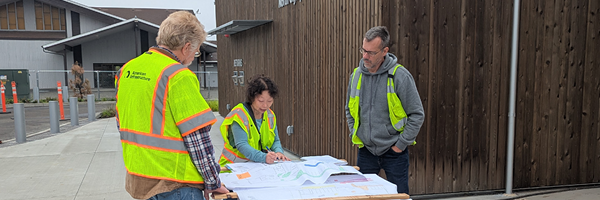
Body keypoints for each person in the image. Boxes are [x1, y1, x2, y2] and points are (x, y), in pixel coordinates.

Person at [115, 11, 228, 200]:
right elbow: (198, 139)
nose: (194, 56)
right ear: (186, 48)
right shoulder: (178, 76)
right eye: (196, 50)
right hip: (175, 184)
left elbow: (121, 122)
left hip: (139, 179)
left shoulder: (127, 70)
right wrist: (213, 182)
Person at [345, 26, 425, 194]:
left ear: (384, 51)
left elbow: (417, 114)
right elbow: (349, 110)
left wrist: (400, 145)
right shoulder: (356, 76)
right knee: (363, 195)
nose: (365, 56)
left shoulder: (400, 76)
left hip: (394, 153)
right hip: (366, 151)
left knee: (399, 196)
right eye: (363, 50)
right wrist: (356, 133)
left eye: (371, 53)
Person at [219, 75, 290, 166]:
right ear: (252, 98)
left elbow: (275, 141)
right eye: (261, 101)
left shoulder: (270, 115)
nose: (265, 105)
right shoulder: (239, 115)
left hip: (255, 166)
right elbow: (242, 145)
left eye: (269, 101)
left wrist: (279, 152)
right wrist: (264, 157)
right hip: (233, 166)